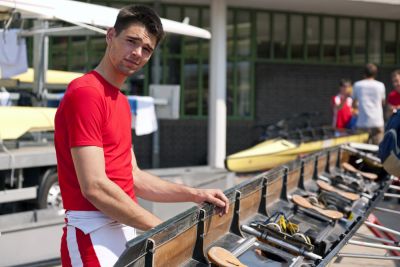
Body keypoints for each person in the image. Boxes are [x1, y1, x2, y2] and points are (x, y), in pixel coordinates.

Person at [54, 5, 229, 266]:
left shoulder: (122, 102)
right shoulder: (87, 93)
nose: (137, 53)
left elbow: (132, 176)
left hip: (123, 229)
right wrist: (167, 231)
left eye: (146, 49)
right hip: (91, 234)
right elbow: (95, 187)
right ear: (110, 35)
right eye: (131, 41)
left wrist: (194, 194)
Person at [352, 63, 386, 145]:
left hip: (362, 122)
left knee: (361, 151)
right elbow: (383, 103)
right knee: (378, 151)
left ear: (364, 74)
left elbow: (354, 104)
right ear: (375, 74)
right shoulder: (380, 85)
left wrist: (360, 106)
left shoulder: (357, 85)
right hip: (377, 122)